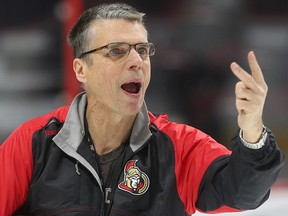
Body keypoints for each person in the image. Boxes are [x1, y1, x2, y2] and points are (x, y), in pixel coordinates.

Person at [0, 2, 285, 216]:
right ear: (80, 69)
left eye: (142, 50)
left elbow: (242, 194)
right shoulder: (35, 143)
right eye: (116, 51)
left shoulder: (179, 146)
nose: (137, 60)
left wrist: (252, 132)